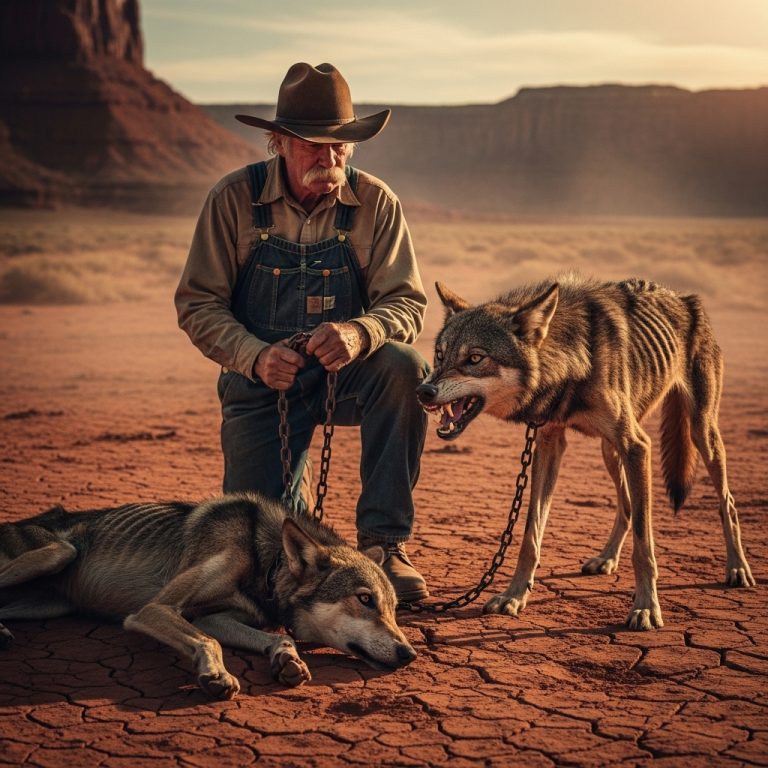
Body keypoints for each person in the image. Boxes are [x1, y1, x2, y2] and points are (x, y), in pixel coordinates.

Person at [175, 62, 430, 601]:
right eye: (315, 144)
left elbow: (406, 301)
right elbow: (198, 304)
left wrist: (360, 333)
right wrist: (253, 355)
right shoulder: (232, 200)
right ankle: (292, 493)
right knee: (260, 555)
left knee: (405, 367)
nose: (329, 157)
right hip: (261, 383)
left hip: (348, 381)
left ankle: (385, 545)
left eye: (340, 145)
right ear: (279, 143)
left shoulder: (377, 203)